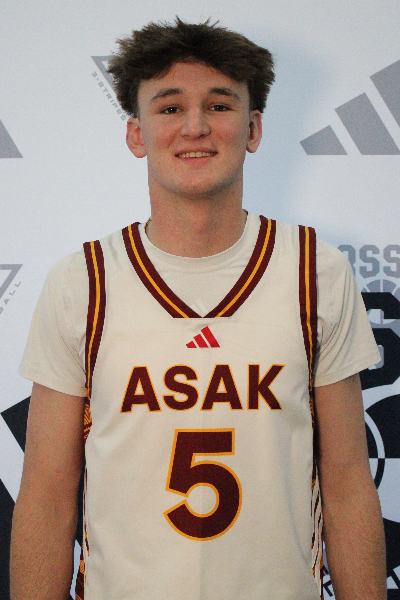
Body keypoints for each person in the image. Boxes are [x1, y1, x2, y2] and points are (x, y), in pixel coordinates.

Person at [11, 17, 386, 600]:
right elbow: (46, 494)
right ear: (136, 134)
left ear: (253, 128)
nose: (195, 127)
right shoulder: (82, 281)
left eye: (218, 105)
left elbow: (347, 483)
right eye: (169, 108)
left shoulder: (316, 271)